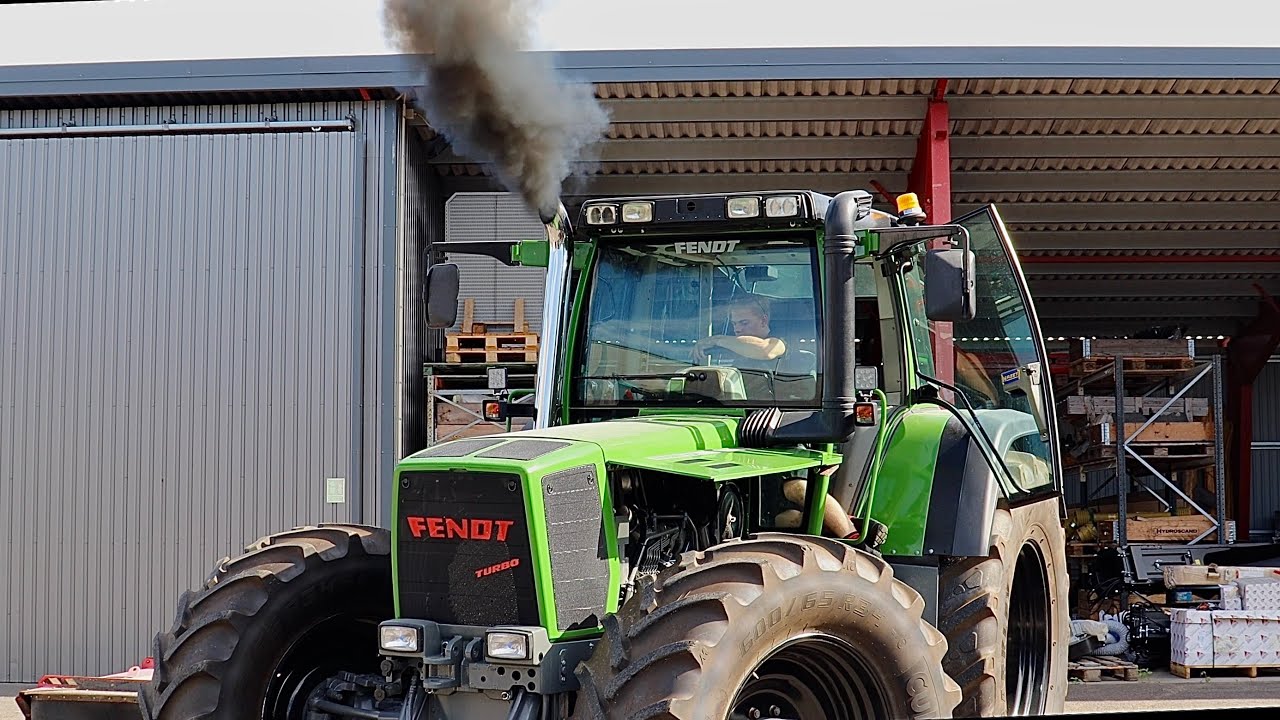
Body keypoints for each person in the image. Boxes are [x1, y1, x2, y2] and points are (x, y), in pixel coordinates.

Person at [692, 295, 786, 365]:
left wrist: (716, 340)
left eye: (744, 323)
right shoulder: (735, 346)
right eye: (734, 323)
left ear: (763, 320)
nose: (737, 329)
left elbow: (766, 350)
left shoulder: (779, 342)